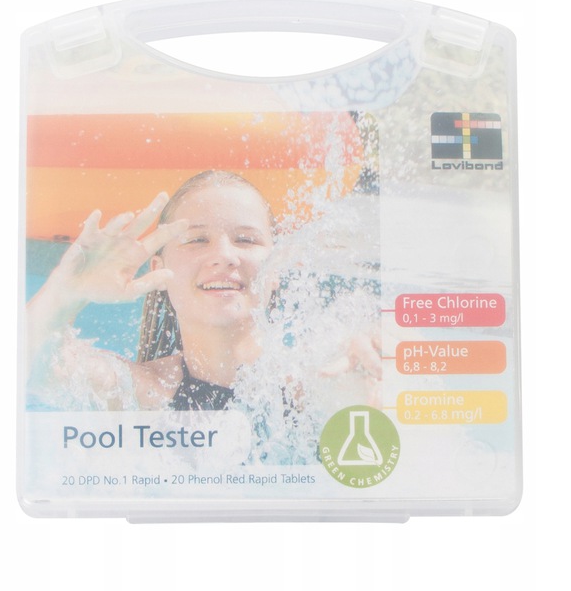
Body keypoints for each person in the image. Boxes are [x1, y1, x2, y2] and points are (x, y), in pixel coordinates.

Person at [26, 170, 381, 412]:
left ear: (277, 269)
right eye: (197, 240)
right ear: (159, 271)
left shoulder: (317, 385)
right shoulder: (141, 395)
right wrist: (66, 292)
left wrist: (382, 356)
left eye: (246, 240)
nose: (224, 256)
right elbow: (27, 368)